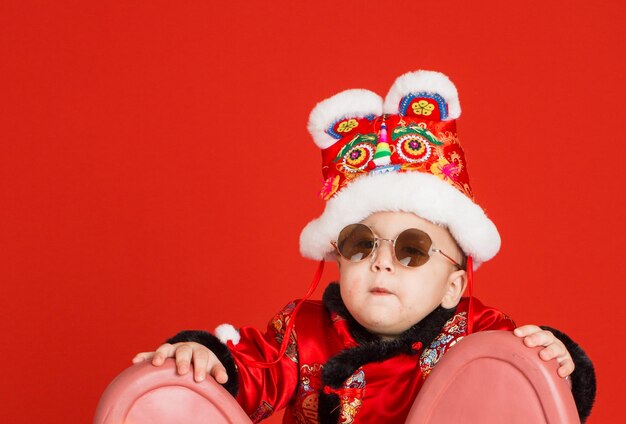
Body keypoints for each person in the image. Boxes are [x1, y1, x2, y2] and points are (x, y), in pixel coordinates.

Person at [133, 70, 596, 423]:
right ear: (337, 257)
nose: (381, 264)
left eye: (411, 250)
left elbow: (521, 392)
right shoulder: (301, 334)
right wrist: (208, 359)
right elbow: (256, 371)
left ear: (454, 284)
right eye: (361, 245)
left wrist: (556, 360)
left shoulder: (478, 333)